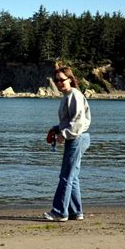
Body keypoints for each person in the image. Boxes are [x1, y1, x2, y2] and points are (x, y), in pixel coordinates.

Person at [43, 66, 91, 222]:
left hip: (77, 138)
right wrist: (56, 129)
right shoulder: (67, 96)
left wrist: (63, 135)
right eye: (56, 80)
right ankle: (76, 212)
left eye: (62, 80)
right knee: (72, 177)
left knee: (65, 177)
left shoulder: (75, 95)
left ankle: (59, 212)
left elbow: (78, 122)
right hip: (77, 138)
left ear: (70, 79)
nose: (58, 83)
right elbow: (69, 121)